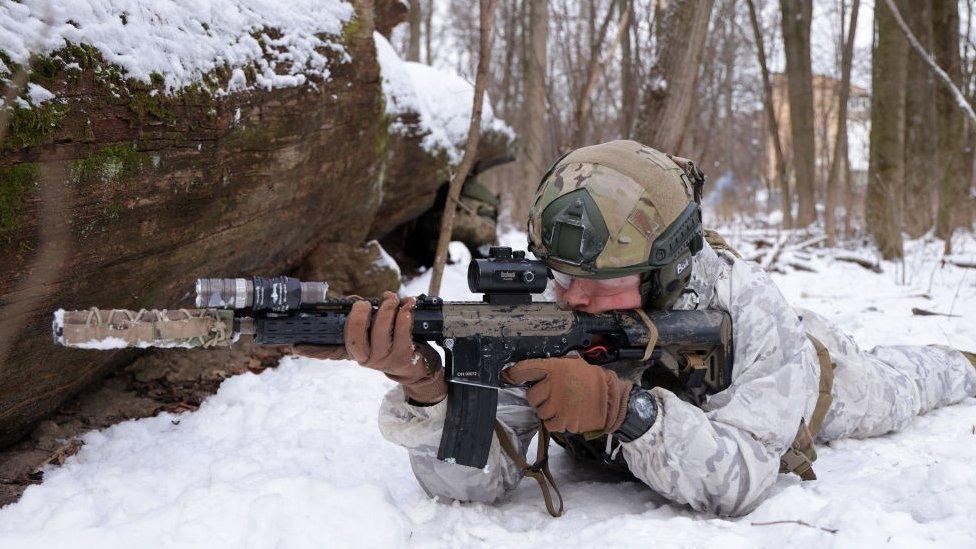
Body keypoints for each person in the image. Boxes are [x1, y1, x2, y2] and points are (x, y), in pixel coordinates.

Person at [296, 140, 976, 517]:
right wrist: (427, 389)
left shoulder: (746, 308)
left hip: (816, 373)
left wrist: (627, 408)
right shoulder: (544, 306)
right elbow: (473, 486)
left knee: (908, 380)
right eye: (561, 274)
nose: (575, 297)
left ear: (662, 268)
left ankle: (966, 359)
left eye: (599, 281)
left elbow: (741, 479)